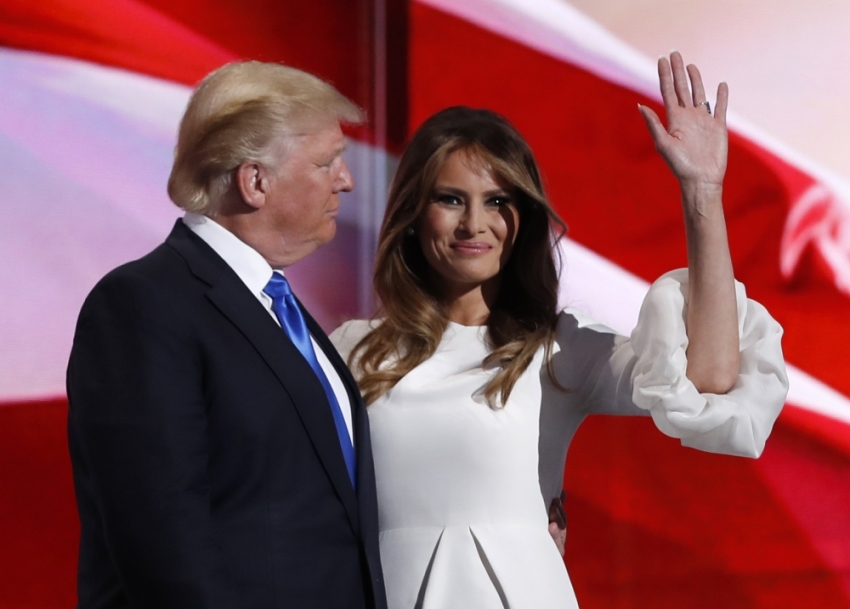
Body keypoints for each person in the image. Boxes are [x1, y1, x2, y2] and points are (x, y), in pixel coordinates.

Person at [330, 52, 788, 608]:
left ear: (523, 219)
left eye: (498, 202)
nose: (474, 224)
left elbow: (709, 382)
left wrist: (703, 195)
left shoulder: (558, 348)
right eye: (451, 199)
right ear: (413, 211)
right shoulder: (349, 350)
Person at [66, 61, 386, 609]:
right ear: (255, 181)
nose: (346, 180)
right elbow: (161, 541)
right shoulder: (144, 305)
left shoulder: (275, 305)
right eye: (327, 162)